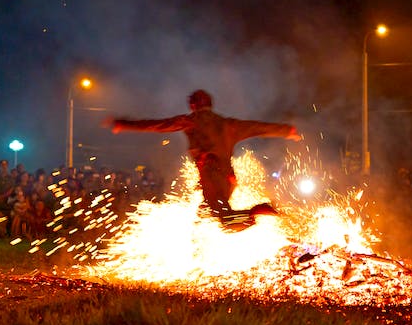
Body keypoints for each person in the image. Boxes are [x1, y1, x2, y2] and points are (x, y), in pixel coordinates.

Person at [105, 89, 302, 228]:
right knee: (204, 215)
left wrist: (124, 124)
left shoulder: (191, 121)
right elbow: (258, 127)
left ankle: (258, 211)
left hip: (211, 176)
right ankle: (198, 253)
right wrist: (287, 131)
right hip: (228, 179)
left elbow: (157, 125)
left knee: (225, 220)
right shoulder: (228, 124)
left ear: (193, 105)